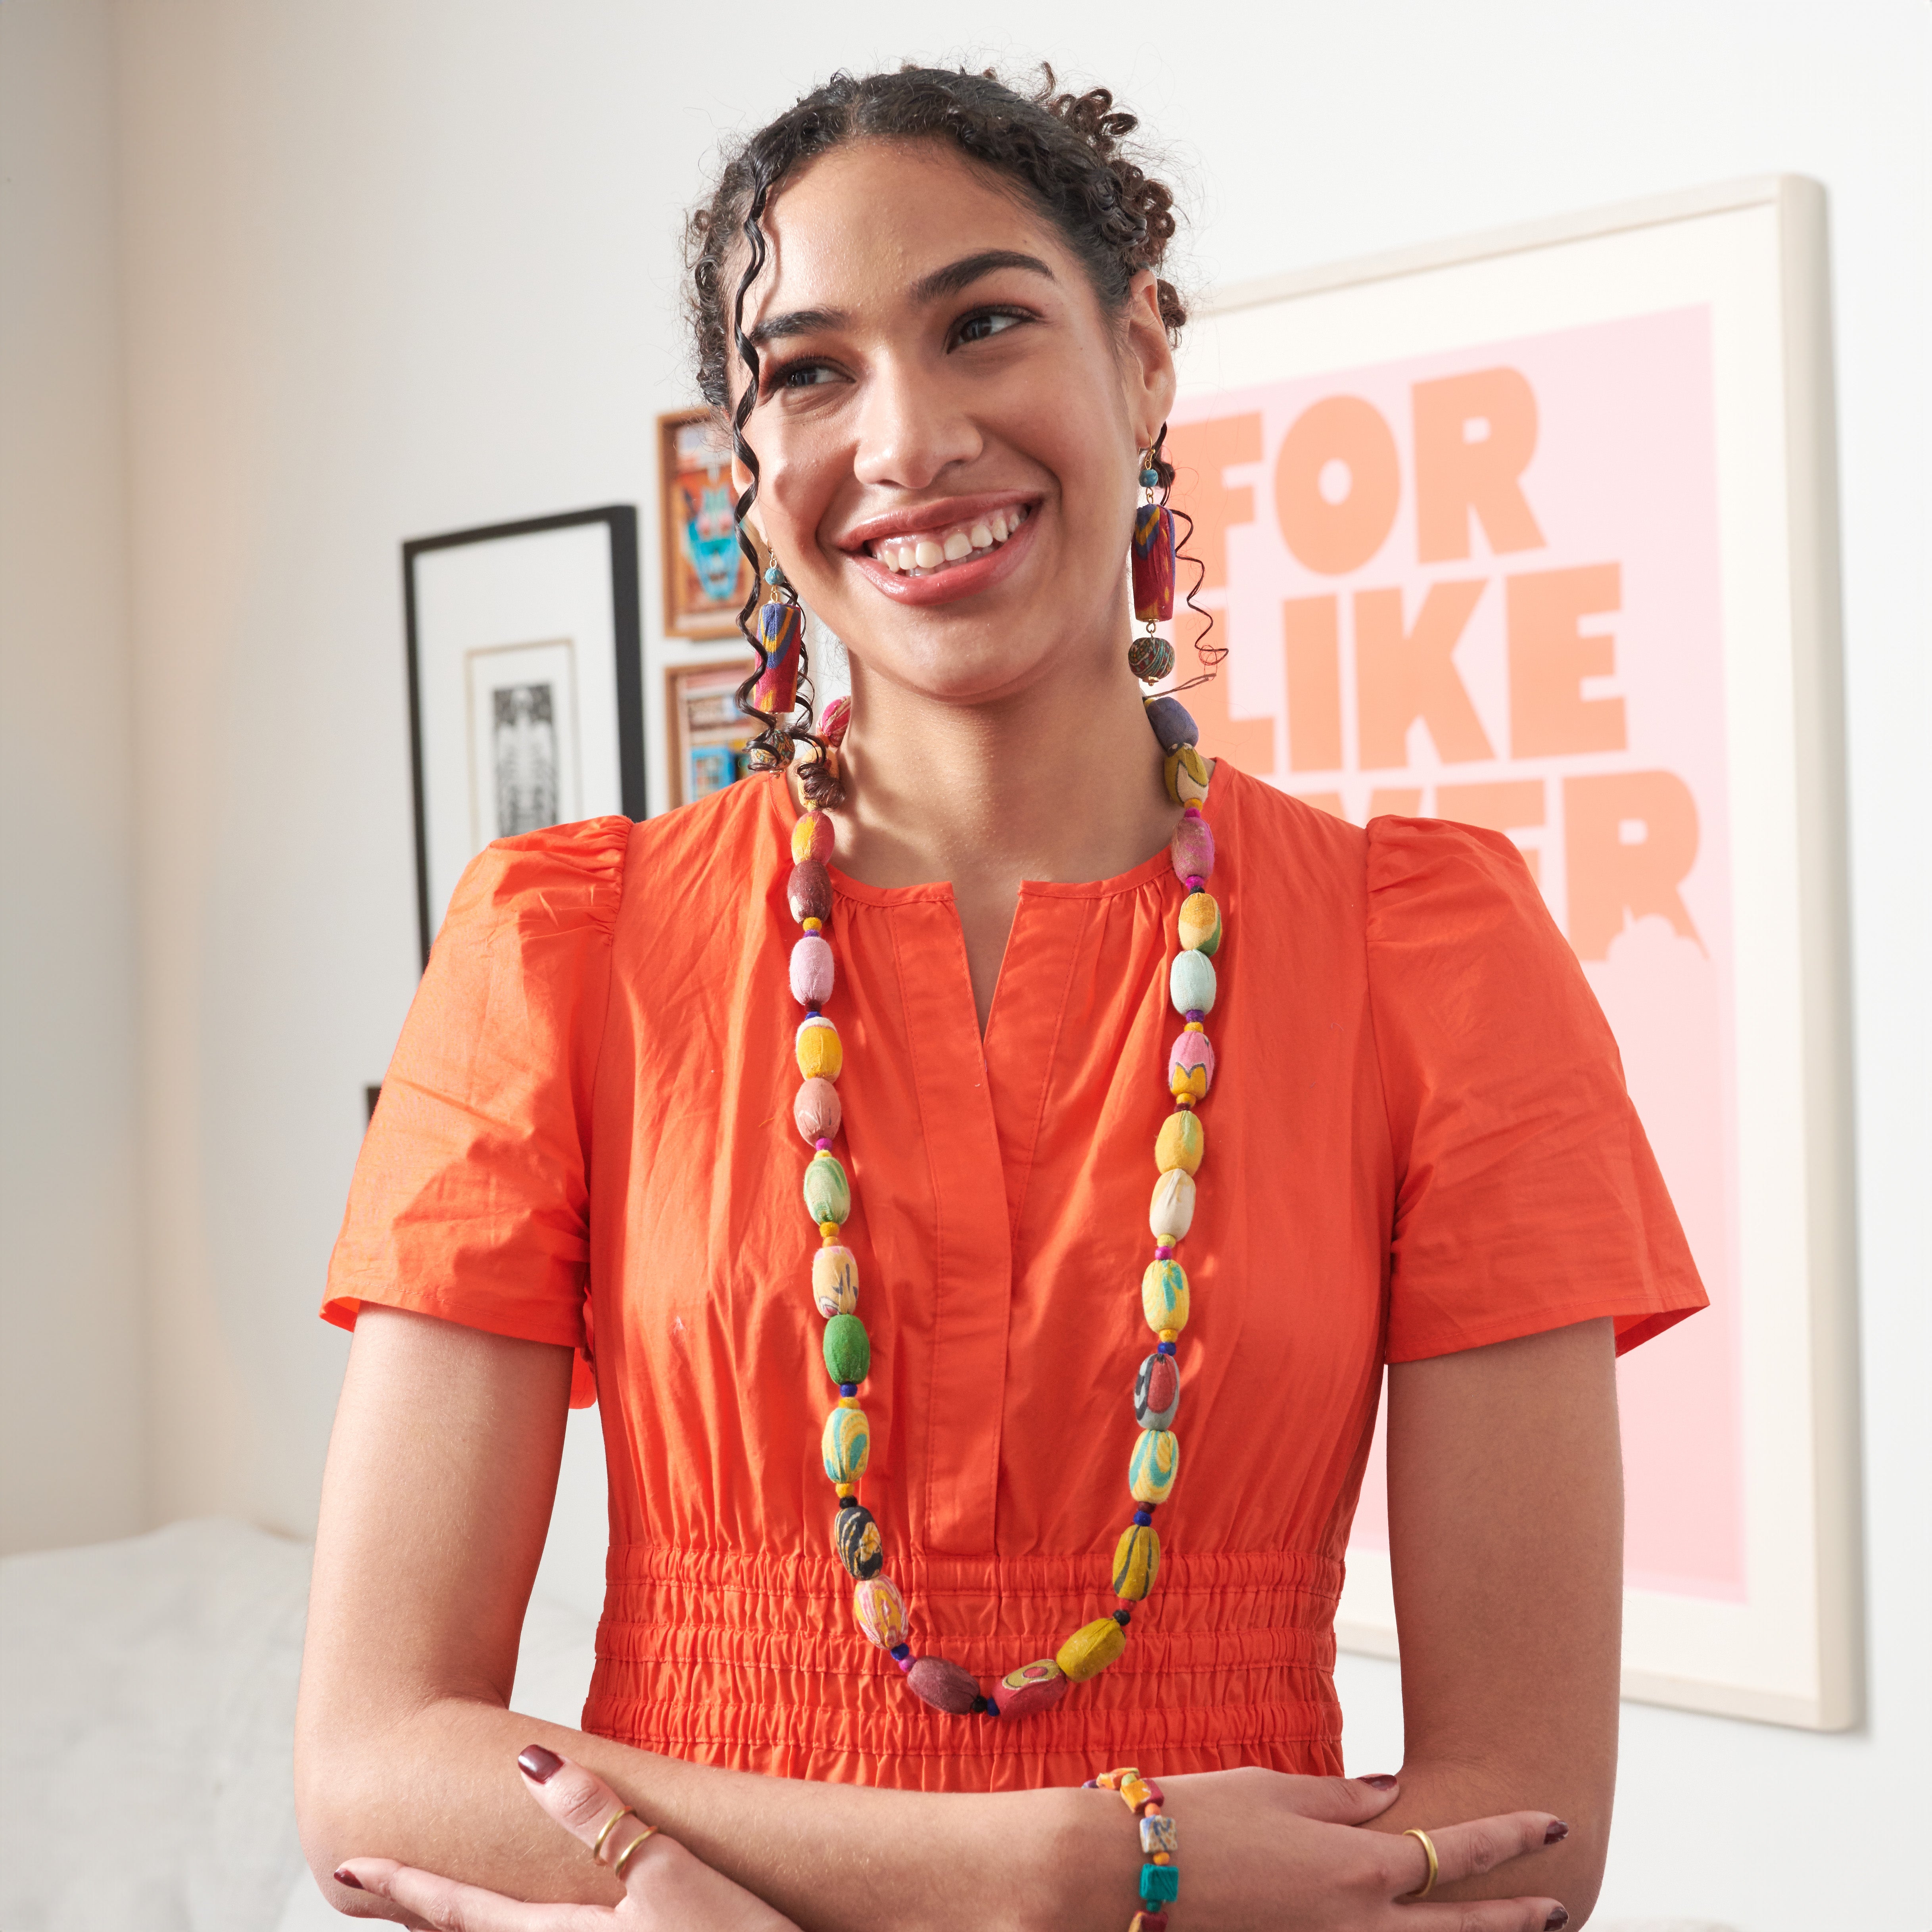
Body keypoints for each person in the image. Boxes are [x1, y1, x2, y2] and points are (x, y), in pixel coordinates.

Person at [296, 65, 1704, 1932]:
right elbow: (374, 1763)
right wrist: (1056, 1868)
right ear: (745, 461)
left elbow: (1525, 1828)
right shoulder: (558, 949)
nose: (907, 439)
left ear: (1139, 363)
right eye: (809, 371)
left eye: (984, 324)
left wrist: (674, 1876)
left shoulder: (1429, 956)